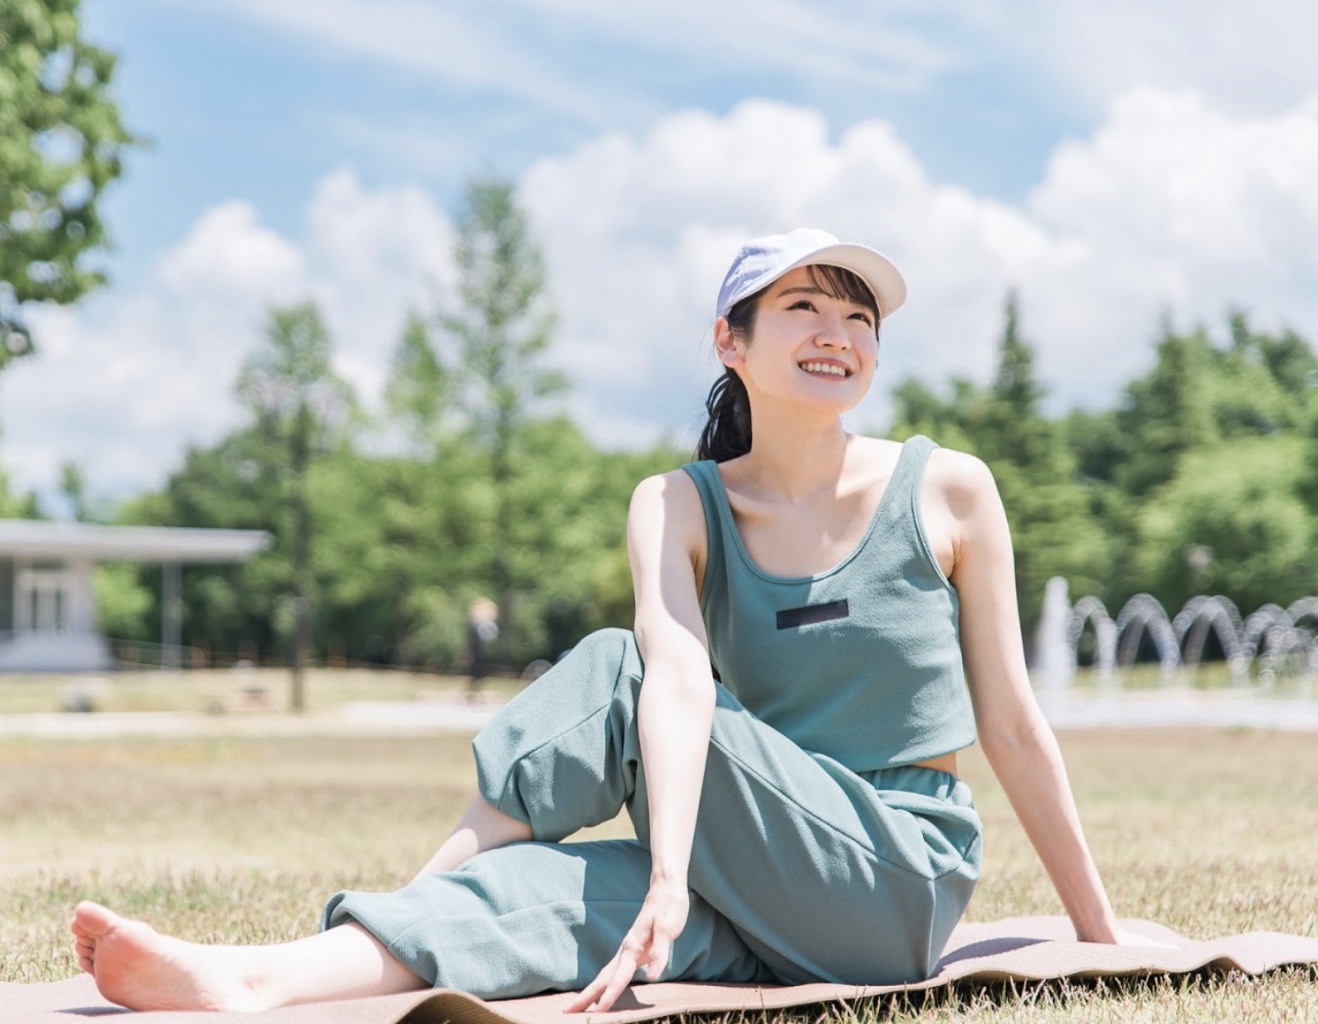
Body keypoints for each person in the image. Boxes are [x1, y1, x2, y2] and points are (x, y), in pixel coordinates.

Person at [70, 227, 1148, 1014]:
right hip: (748, 871)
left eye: (857, 317)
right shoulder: (677, 502)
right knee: (538, 897)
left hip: (891, 881)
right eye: (804, 310)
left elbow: (1008, 722)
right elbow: (678, 682)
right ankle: (258, 976)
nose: (838, 334)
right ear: (730, 341)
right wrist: (665, 878)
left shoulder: (947, 489)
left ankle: (421, 887)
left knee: (611, 666)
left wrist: (1098, 934)